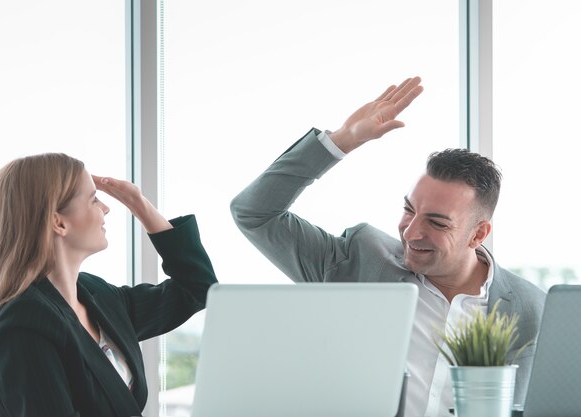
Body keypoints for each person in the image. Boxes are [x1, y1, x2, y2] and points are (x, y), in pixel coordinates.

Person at [230, 76, 545, 417]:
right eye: (409, 209)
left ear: (478, 234)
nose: (411, 232)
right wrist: (340, 141)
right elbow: (254, 213)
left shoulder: (533, 309)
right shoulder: (358, 260)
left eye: (437, 223)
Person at [0, 152, 218, 417]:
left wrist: (140, 205)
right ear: (58, 222)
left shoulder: (96, 295)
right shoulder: (24, 323)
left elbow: (197, 289)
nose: (106, 208)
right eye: (94, 199)